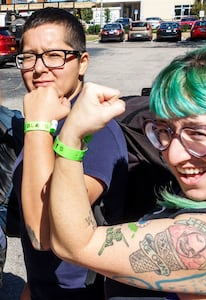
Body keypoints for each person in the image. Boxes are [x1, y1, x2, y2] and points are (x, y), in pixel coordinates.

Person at [47, 46, 206, 300]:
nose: (173, 155)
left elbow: (75, 245)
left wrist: (71, 136)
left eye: (200, 134)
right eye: (165, 130)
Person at [12, 7, 128, 300]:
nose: (38, 68)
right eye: (28, 56)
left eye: (54, 55)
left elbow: (41, 234)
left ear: (82, 62)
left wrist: (35, 124)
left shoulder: (95, 131)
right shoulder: (49, 117)